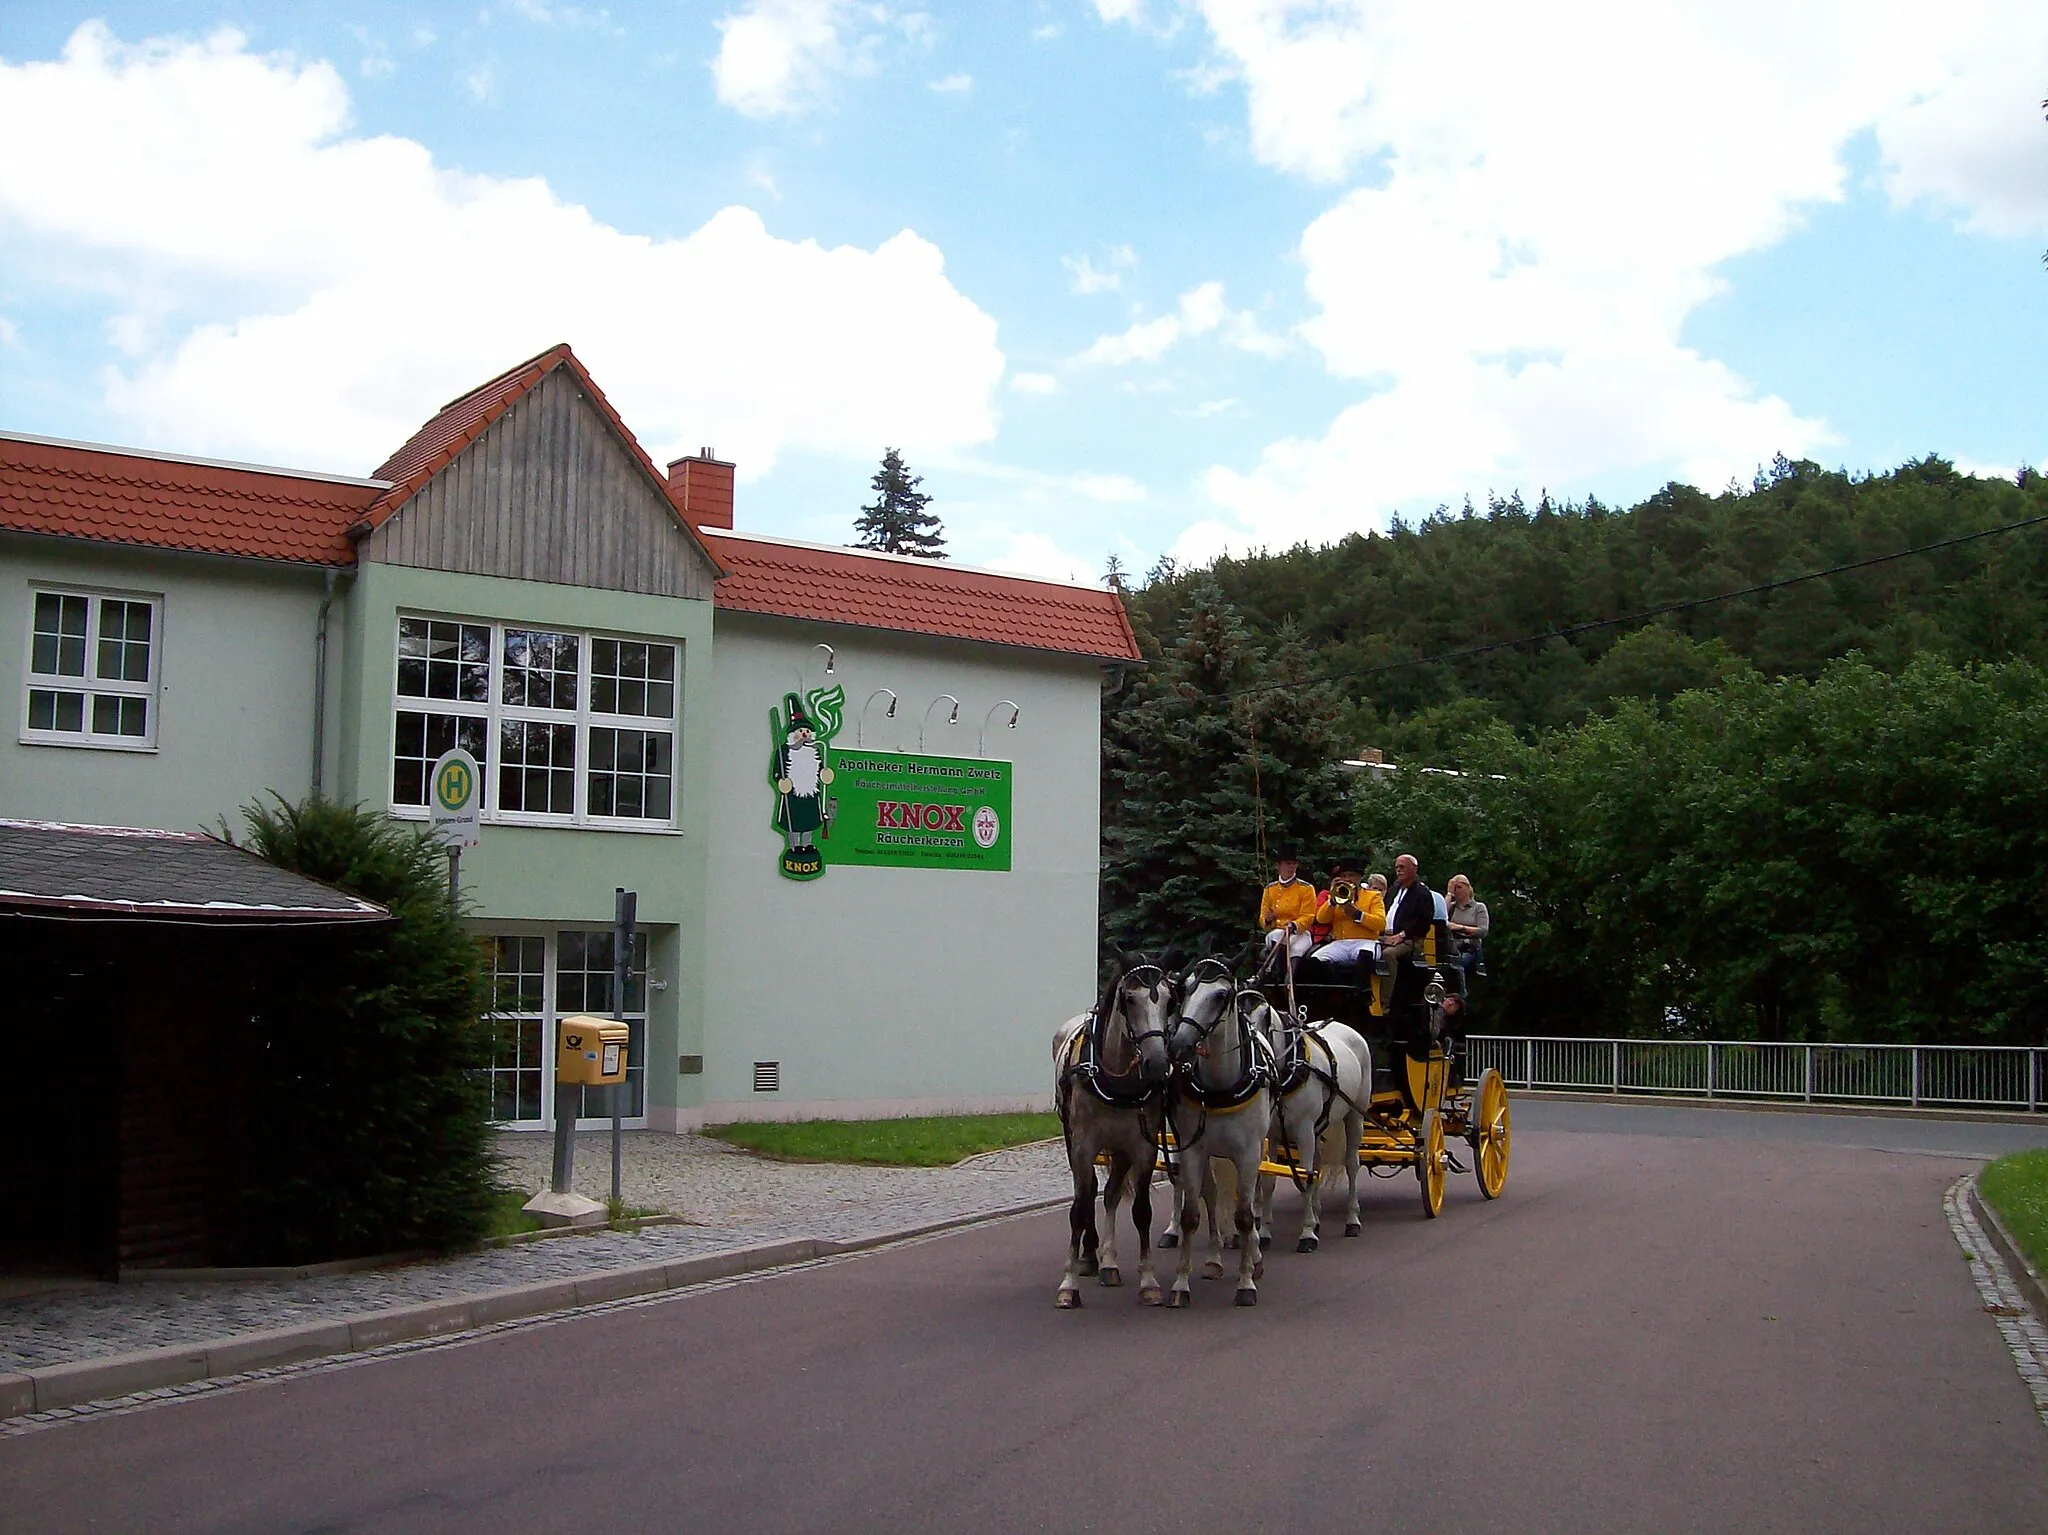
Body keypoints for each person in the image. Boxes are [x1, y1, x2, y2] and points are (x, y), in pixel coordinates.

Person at [1310, 856, 1385, 965]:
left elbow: (1381, 924)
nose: (1347, 879)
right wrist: (1331, 901)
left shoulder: (1373, 896)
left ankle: (1360, 982)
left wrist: (1358, 915)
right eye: (1344, 876)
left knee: (1365, 957)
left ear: (1360, 877)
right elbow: (1321, 919)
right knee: (1315, 960)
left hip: (1366, 942)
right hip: (1340, 942)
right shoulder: (1337, 895)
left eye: (1351, 875)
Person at [1380, 854, 1436, 995]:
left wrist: (1402, 935)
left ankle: (1385, 1000)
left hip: (1410, 939)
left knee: (1388, 954)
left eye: (1402, 867)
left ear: (1414, 868)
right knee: (1364, 950)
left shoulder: (1422, 893)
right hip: (1384, 935)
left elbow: (1423, 922)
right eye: (1397, 867)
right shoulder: (1394, 889)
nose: (1398, 870)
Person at [1258, 847, 1318, 972]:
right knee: (1277, 935)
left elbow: (1309, 916)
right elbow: (1263, 919)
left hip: (1299, 933)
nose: (1291, 867)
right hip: (1277, 933)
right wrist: (1267, 920)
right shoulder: (1270, 889)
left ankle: (1289, 980)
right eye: (1287, 864)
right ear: (1278, 866)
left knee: (1297, 948)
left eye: (1293, 864)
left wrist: (1294, 925)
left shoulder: (1306, 888)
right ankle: (1275, 974)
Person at [1446, 873, 1490, 977]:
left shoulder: (1478, 907)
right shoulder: (1451, 907)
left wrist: (1461, 928)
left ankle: (1460, 991)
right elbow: (1440, 914)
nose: (1457, 891)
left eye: (1459, 887)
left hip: (1469, 947)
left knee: (1458, 964)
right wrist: (1449, 894)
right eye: (1454, 888)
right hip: (1452, 946)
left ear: (1468, 887)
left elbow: (1483, 931)